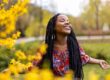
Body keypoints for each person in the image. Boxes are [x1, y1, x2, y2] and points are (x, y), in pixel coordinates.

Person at [33, 13, 110, 80]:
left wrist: (99, 61)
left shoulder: (73, 45)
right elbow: (33, 66)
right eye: (62, 20)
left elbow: (83, 57)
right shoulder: (46, 47)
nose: (67, 23)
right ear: (53, 27)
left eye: (68, 21)